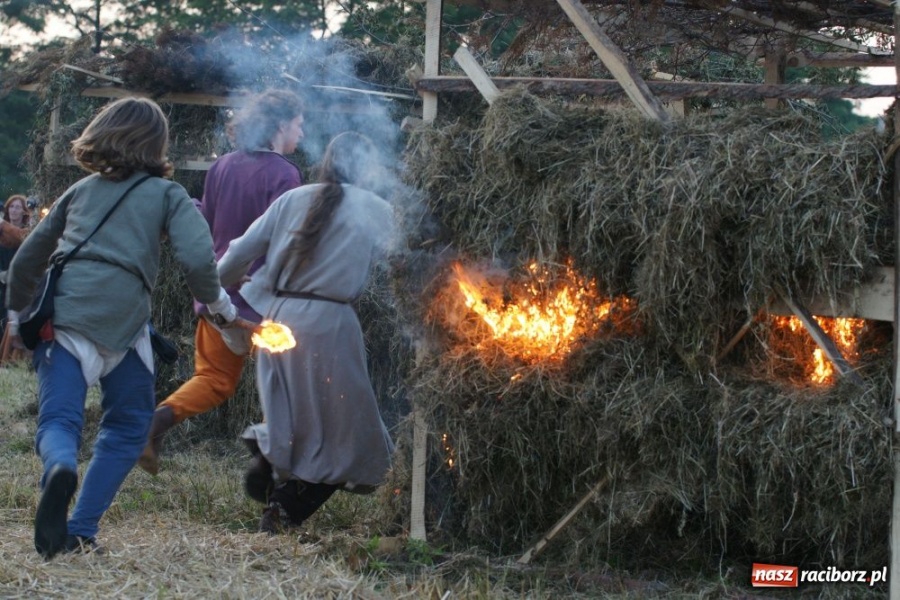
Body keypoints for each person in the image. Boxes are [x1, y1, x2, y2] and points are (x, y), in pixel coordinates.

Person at [5, 97, 238, 559]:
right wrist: (222, 309)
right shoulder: (168, 194)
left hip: (66, 320)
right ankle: (81, 528)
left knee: (59, 420)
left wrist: (14, 317)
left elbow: (30, 256)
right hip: (127, 327)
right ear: (157, 144)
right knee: (130, 424)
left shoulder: (80, 190)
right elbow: (196, 258)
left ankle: (59, 469)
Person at [217, 131, 397, 533]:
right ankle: (283, 508)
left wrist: (224, 294)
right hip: (330, 326)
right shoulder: (374, 207)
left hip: (277, 321)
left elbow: (236, 254)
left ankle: (271, 450)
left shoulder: (292, 200)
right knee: (350, 435)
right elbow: (409, 259)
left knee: (293, 416)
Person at [138, 89, 305, 475]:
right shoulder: (285, 174)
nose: (302, 132)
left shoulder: (223, 166)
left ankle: (154, 425)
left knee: (213, 380)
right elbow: (288, 241)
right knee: (289, 385)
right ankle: (280, 469)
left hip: (217, 296)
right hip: (266, 306)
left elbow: (207, 224)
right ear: (280, 126)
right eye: (298, 124)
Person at [0, 194, 32, 362]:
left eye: (18, 207)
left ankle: (12, 358)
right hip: (2, 281)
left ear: (24, 211)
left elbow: (20, 238)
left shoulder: (28, 234)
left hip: (20, 284)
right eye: (11, 207)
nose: (13, 210)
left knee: (13, 320)